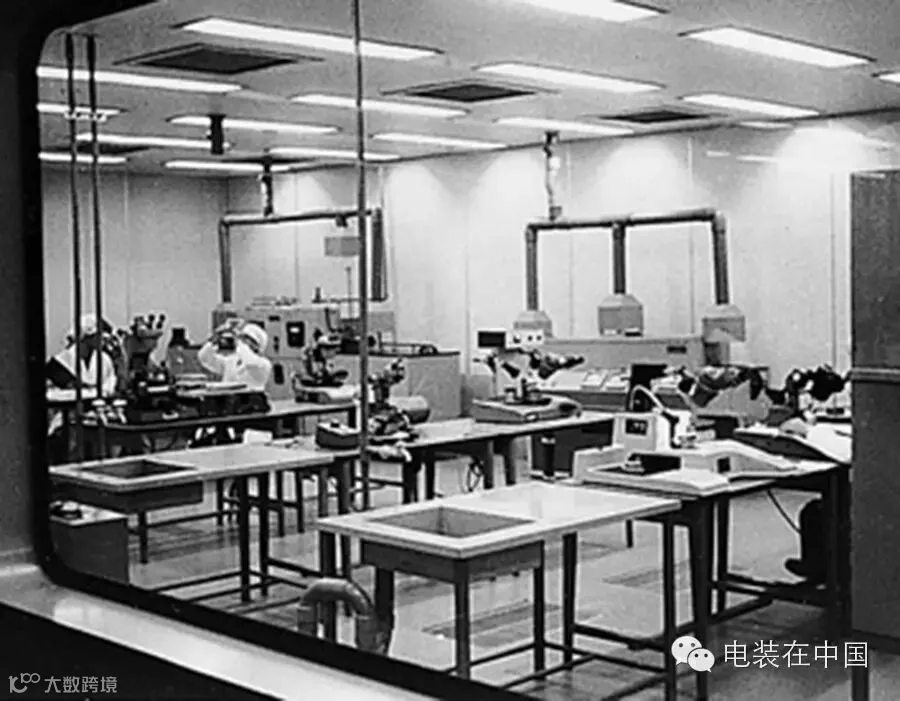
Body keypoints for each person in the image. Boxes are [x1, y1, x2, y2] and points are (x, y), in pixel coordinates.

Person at [198, 319, 272, 391]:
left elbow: (248, 359)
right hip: (226, 398)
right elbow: (204, 357)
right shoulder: (231, 360)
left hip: (250, 398)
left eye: (246, 338)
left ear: (256, 345)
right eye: (242, 337)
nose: (242, 341)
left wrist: (237, 339)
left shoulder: (263, 364)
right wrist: (214, 339)